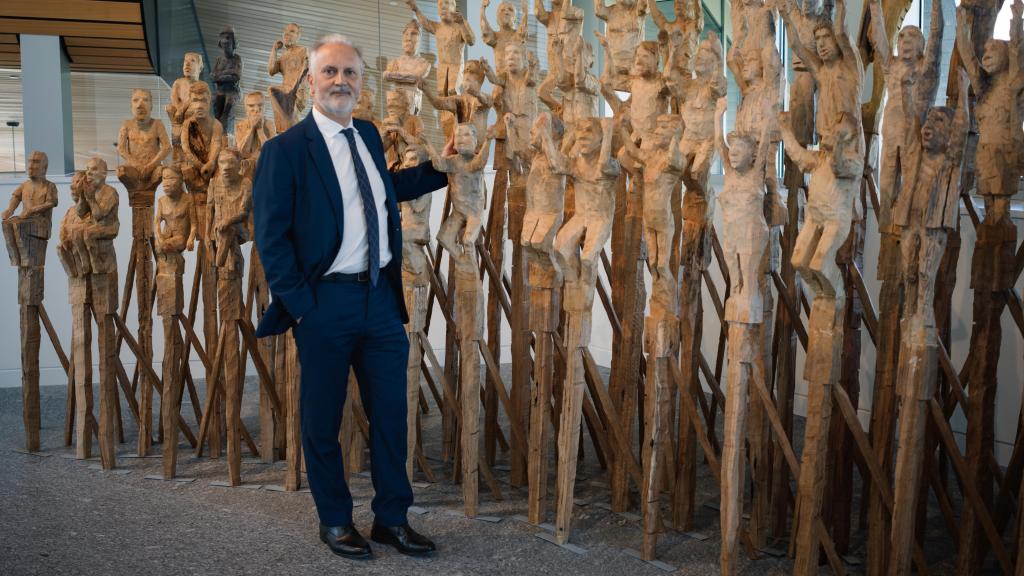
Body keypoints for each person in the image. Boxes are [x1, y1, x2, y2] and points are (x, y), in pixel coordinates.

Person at [252, 34, 449, 560]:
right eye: (331, 72)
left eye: (351, 73)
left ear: (362, 83)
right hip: (324, 305)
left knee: (391, 415)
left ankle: (391, 519)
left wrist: (441, 169)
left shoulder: (365, 133)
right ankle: (335, 519)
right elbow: (271, 239)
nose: (341, 81)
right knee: (322, 419)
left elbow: (384, 188)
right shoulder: (285, 151)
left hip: (380, 302)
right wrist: (303, 309)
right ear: (311, 81)